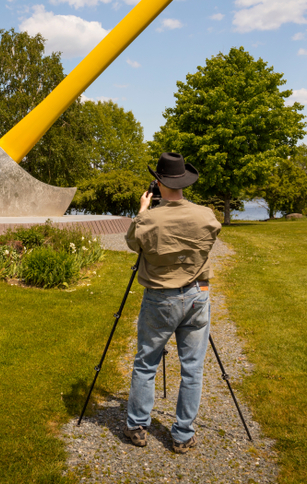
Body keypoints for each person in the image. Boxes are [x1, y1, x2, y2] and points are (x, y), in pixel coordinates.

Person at [122, 151, 221, 454]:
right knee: (192, 368)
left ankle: (138, 425)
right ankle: (182, 433)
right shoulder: (206, 215)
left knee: (146, 362)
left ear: (158, 183)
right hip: (197, 295)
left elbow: (131, 243)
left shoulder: (148, 218)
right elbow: (210, 238)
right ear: (183, 182)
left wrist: (143, 210)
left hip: (160, 298)